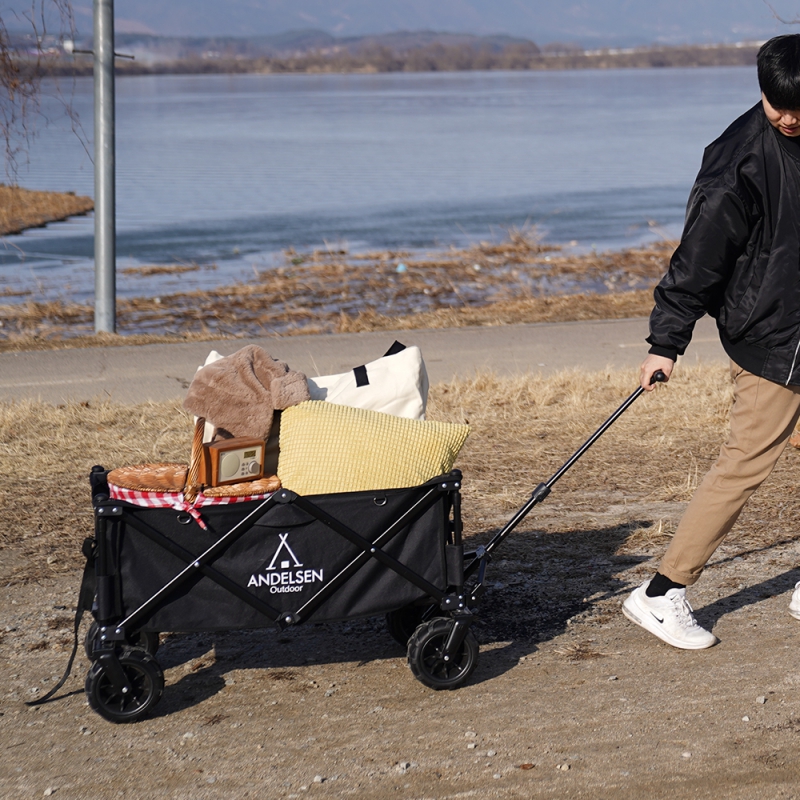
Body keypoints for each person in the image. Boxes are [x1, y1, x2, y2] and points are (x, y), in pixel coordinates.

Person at [622, 34, 800, 650]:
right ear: (762, 91)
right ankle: (661, 593)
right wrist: (665, 341)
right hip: (774, 341)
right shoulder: (738, 163)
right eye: (781, 107)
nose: (792, 117)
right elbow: (697, 260)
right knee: (744, 465)